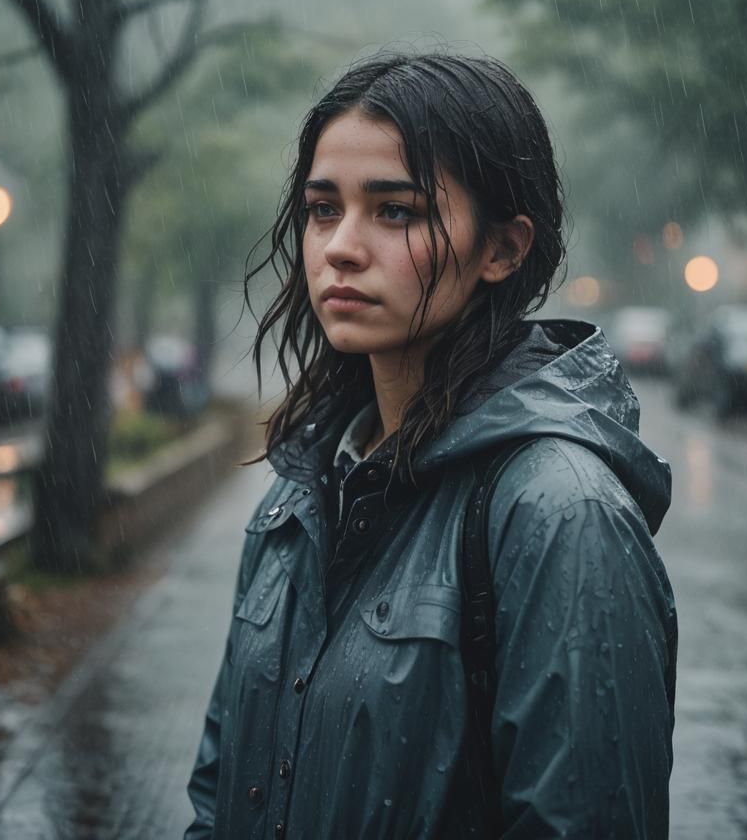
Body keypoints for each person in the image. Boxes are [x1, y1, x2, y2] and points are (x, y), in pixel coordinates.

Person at [184, 53, 677, 839]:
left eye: (396, 211)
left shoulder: (560, 515)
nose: (340, 247)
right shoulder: (301, 488)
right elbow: (219, 793)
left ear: (504, 249)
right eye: (321, 209)